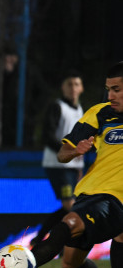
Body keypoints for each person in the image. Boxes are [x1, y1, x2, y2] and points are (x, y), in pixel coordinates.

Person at [0, 62, 123, 268]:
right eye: (108, 89)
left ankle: (21, 265)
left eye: (117, 89)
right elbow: (63, 152)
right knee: (70, 262)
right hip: (90, 193)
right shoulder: (99, 114)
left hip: (115, 198)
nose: (110, 96)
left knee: (70, 222)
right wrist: (76, 150)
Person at [31, 71, 84, 246]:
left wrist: (79, 166)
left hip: (72, 167)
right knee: (71, 206)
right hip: (58, 165)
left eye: (76, 84)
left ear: (81, 88)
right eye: (69, 84)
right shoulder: (57, 107)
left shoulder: (80, 110)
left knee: (70, 207)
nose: (73, 88)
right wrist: (67, 151)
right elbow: (47, 136)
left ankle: (40, 238)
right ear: (63, 88)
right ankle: (62, 243)